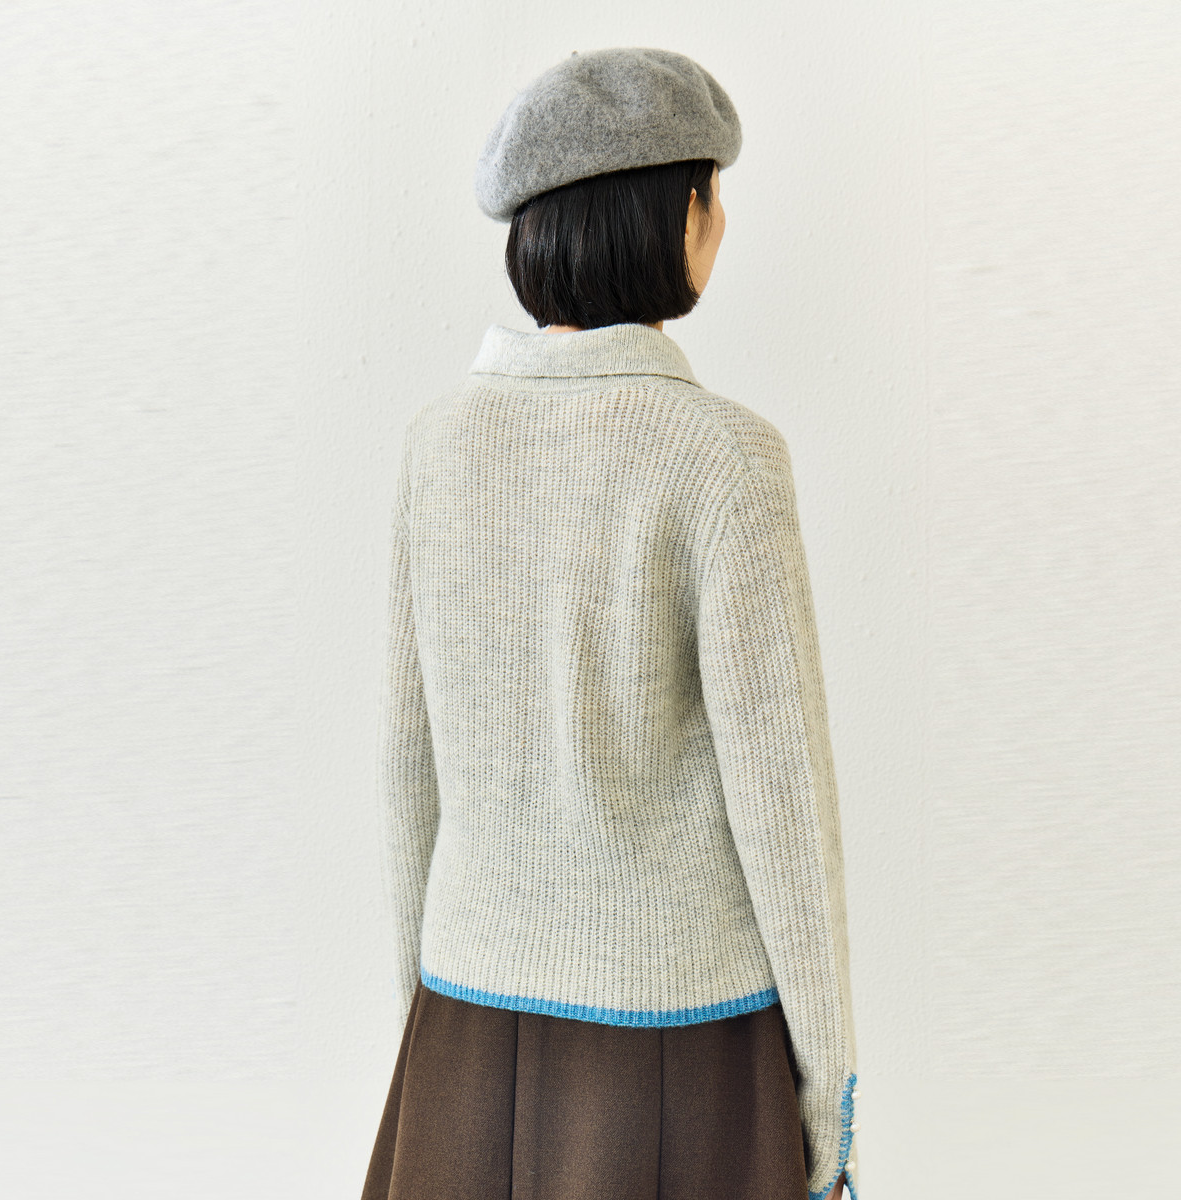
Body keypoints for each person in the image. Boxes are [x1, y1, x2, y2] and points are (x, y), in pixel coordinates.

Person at [361, 47, 859, 1200]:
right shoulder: (724, 459)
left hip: (463, 1017)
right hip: (685, 1044)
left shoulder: (437, 447)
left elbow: (405, 763)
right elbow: (784, 805)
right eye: (713, 196)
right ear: (679, 217)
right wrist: (827, 1095)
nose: (720, 221)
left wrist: (423, 1017)